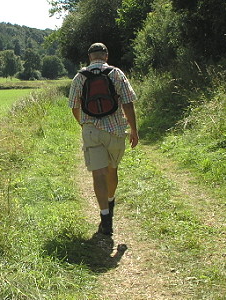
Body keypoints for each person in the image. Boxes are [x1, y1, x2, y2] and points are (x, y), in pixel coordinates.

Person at [68, 42, 139, 236]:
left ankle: (105, 218)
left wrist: (83, 123)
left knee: (98, 174)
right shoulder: (116, 74)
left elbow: (74, 106)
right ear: (106, 55)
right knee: (111, 170)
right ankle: (110, 200)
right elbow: (128, 103)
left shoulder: (80, 77)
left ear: (90, 57)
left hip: (92, 131)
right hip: (116, 131)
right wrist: (134, 130)